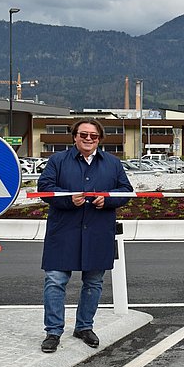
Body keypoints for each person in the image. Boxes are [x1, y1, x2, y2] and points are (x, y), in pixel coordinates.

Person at [38, 118, 132, 353]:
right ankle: (53, 331)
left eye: (93, 135)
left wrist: (108, 199)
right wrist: (67, 198)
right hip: (64, 232)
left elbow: (126, 190)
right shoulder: (57, 161)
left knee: (93, 282)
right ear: (75, 137)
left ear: (99, 139)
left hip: (98, 232)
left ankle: (84, 327)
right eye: (83, 135)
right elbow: (44, 188)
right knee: (55, 281)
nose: (88, 139)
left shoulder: (112, 163)